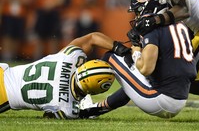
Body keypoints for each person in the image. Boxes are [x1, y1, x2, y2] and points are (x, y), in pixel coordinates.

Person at [80, 0, 197, 119]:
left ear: (146, 8)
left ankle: (79, 98)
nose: (136, 17)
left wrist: (135, 49)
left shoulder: (152, 26)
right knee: (131, 77)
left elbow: (146, 69)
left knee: (111, 56)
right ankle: (96, 109)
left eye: (137, 12)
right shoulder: (178, 25)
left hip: (159, 99)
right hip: (179, 99)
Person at [0, 31, 131, 119]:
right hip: (4, 95)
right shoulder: (67, 108)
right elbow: (48, 116)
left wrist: (120, 49)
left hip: (4, 71)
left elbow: (93, 38)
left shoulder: (70, 57)